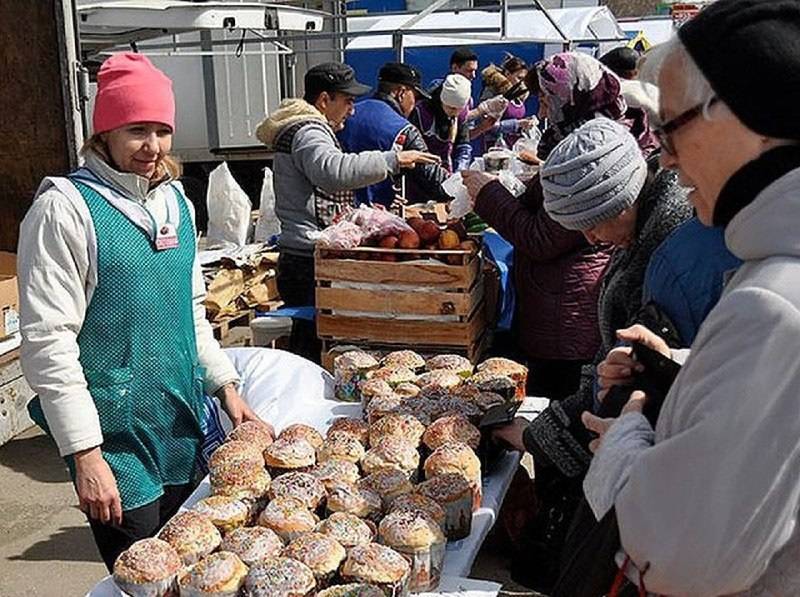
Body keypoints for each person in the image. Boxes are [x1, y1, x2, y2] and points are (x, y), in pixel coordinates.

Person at [18, 53, 270, 571]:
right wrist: (85, 454)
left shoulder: (175, 199)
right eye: (136, 130)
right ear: (104, 132)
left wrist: (225, 388)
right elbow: (48, 342)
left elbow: (189, 309)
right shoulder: (64, 209)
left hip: (180, 425)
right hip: (115, 441)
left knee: (198, 566)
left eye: (162, 130)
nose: (152, 147)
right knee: (147, 573)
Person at [581, 1, 800, 593]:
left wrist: (624, 444)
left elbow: (679, 553)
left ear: (744, 116)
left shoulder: (773, 305)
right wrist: (687, 369)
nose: (667, 161)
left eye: (669, 129)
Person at [474, 117, 691, 591]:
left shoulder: (666, 258)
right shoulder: (648, 230)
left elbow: (634, 386)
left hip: (654, 470)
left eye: (591, 225)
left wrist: (539, 436)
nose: (590, 240)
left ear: (621, 199)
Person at [255, 62, 437, 363]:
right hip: (307, 259)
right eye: (348, 100)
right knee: (314, 348)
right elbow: (333, 171)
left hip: (308, 256)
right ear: (324, 100)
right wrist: (393, 160)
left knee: (315, 340)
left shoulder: (309, 129)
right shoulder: (308, 131)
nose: (352, 110)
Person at [337, 62, 449, 207]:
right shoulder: (403, 129)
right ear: (401, 92)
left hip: (337, 208)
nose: (414, 105)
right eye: (415, 97)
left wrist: (385, 193)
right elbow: (432, 177)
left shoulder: (346, 115)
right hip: (372, 217)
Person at [535, 52, 657, 160]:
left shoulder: (605, 142)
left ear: (574, 100)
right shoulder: (564, 134)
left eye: (549, 103)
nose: (541, 115)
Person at [409, 73, 473, 175]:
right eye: (450, 107)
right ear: (442, 100)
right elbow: (415, 153)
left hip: (447, 169)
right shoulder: (421, 113)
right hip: (422, 172)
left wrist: (460, 170)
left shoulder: (461, 113)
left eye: (458, 109)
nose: (454, 112)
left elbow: (463, 145)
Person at [477, 54, 537, 152]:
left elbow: (514, 119)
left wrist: (526, 123)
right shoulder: (492, 93)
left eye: (524, 80)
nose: (522, 83)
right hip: (496, 148)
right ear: (508, 74)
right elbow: (486, 125)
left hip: (515, 148)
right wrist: (518, 124)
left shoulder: (519, 95)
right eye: (519, 78)